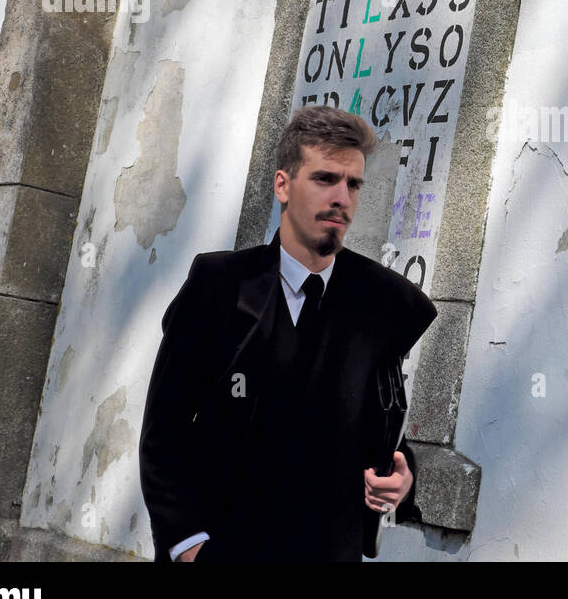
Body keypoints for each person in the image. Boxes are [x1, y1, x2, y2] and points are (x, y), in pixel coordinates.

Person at [138, 105, 437, 561]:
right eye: (325, 179)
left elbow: (383, 433)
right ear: (283, 185)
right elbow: (164, 433)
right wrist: (188, 547)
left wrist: (402, 476)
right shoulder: (220, 286)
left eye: (353, 184)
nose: (342, 197)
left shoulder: (384, 304)